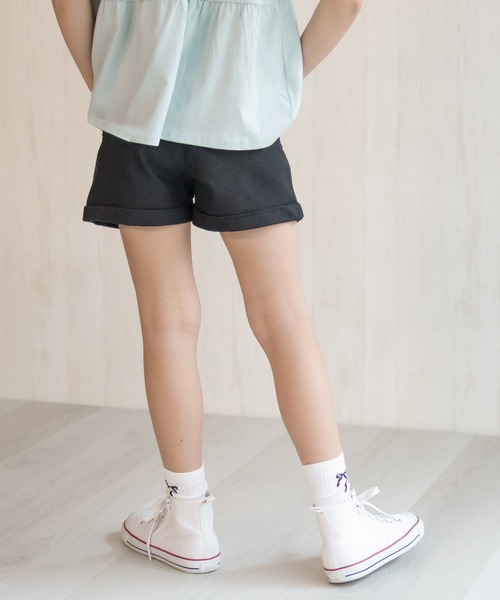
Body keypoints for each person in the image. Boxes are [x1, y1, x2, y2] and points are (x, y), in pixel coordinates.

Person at [51, 0, 424, 584]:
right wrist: (280, 74)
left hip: (136, 121)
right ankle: (342, 526)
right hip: (241, 113)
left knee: (166, 323)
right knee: (284, 323)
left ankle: (187, 523)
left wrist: (112, 83)